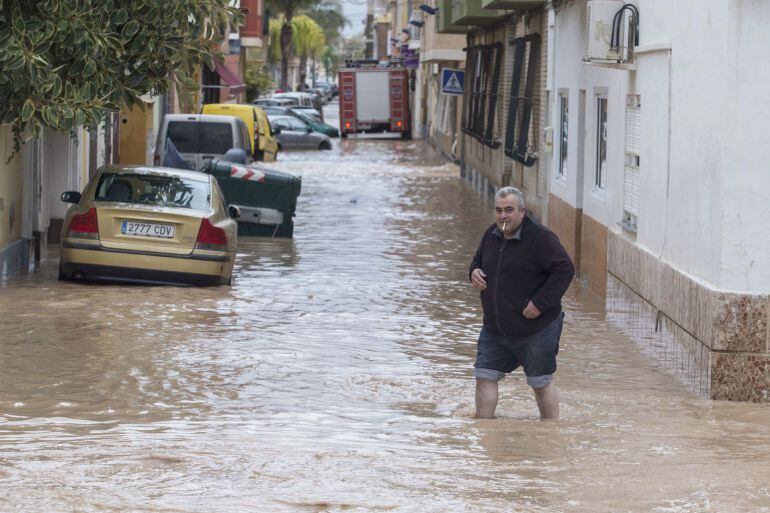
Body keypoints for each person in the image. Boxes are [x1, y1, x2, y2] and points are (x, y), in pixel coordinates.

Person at [469, 187, 575, 419]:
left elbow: (565, 269)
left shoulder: (541, 238)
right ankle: (484, 430)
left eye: (509, 210)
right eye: (498, 210)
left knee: (540, 382)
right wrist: (474, 271)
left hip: (537, 330)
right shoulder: (491, 234)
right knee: (484, 375)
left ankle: (549, 433)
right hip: (495, 330)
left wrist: (539, 303)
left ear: (522, 211)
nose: (503, 216)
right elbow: (478, 260)